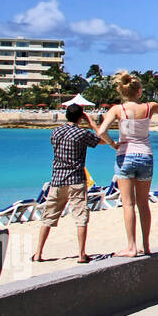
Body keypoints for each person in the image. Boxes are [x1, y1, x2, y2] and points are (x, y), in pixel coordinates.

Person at [99, 71, 158, 258]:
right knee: (143, 204)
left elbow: (101, 131)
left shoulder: (117, 110)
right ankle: (146, 246)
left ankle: (131, 246)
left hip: (125, 156)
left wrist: (113, 144)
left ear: (123, 91)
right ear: (139, 91)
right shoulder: (148, 107)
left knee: (128, 204)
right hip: (145, 155)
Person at [34, 103, 113, 264]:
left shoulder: (55, 132)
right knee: (80, 217)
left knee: (48, 217)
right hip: (76, 179)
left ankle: (38, 253)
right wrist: (92, 123)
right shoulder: (81, 133)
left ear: (66, 115)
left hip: (57, 179)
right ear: (80, 117)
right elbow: (103, 139)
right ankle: (81, 254)